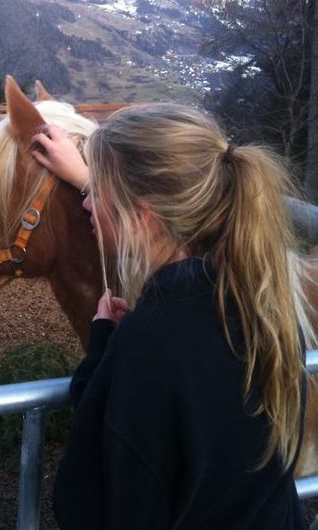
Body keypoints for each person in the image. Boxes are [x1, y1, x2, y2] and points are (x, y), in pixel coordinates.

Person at [30, 103, 311, 530]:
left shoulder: (152, 343)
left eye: (95, 192)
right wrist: (111, 351)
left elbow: (89, 501)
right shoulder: (258, 303)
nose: (86, 204)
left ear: (142, 219)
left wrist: (111, 354)